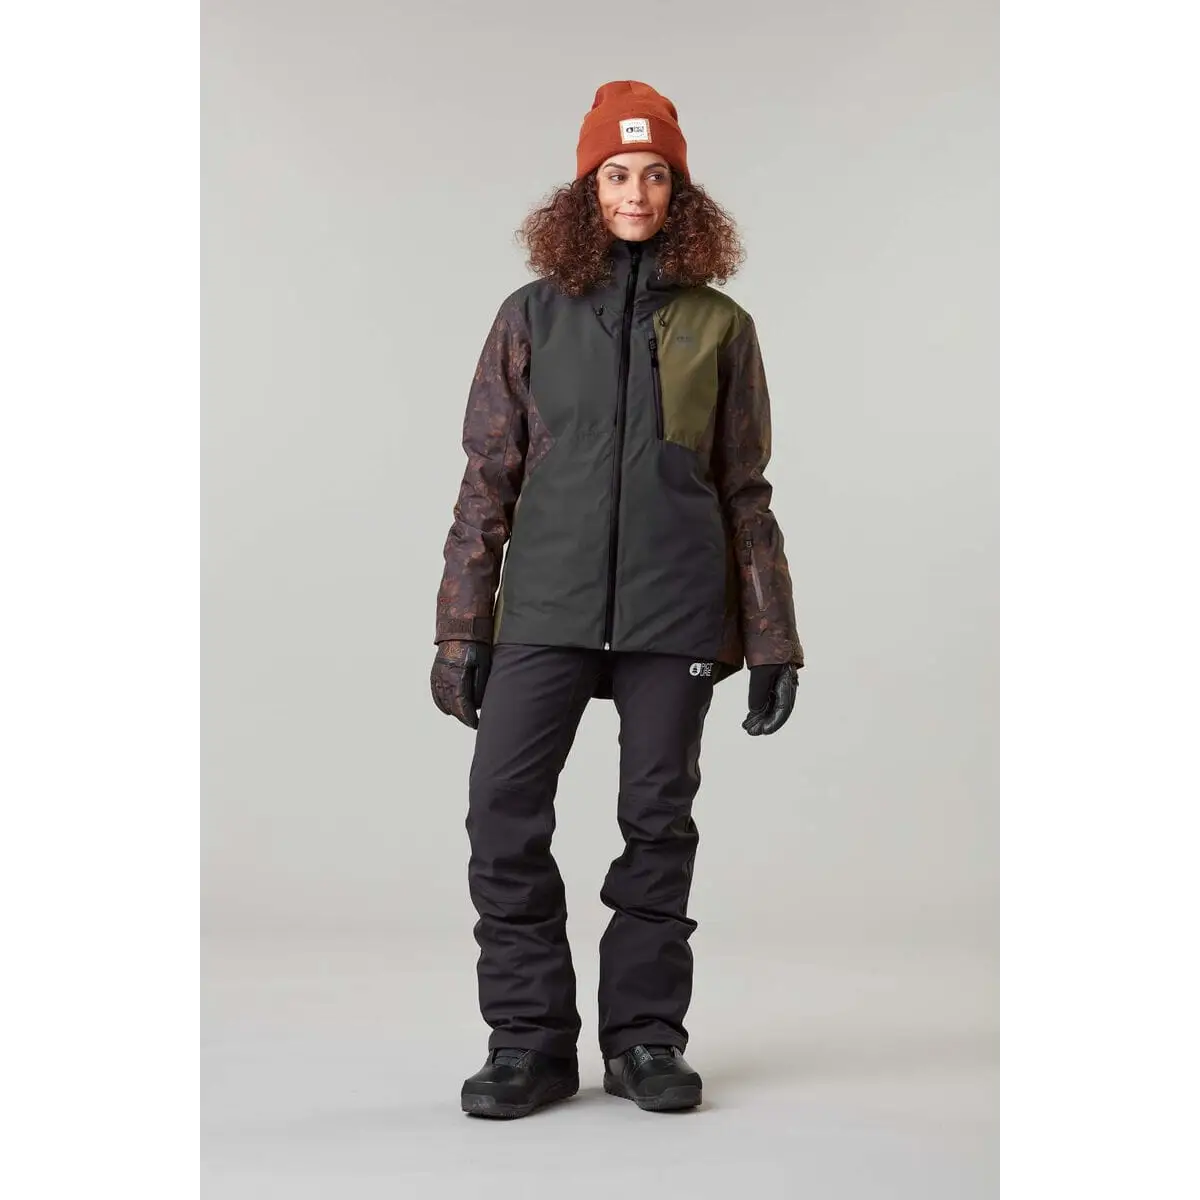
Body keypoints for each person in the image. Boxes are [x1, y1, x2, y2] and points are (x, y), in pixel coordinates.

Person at [431, 80, 804, 1119]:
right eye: (615, 175)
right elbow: (485, 481)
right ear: (584, 190)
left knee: (657, 823)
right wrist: (462, 626)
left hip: (673, 611)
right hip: (544, 608)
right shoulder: (530, 316)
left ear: (680, 193)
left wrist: (773, 639)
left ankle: (645, 1039)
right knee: (502, 814)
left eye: (654, 176)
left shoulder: (721, 326)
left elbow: (745, 490)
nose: (635, 193)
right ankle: (528, 1042)